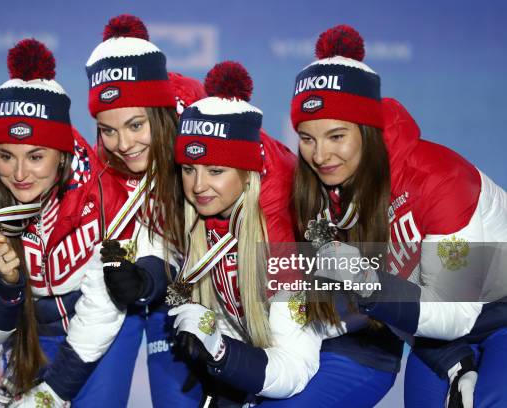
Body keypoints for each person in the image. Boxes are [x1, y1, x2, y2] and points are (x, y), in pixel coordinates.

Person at [289, 25, 507, 407]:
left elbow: (454, 307)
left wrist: (369, 283)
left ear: (367, 131)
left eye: (336, 136)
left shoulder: (439, 177)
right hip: (433, 333)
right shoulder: (323, 198)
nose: (320, 155)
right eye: (308, 138)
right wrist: (453, 362)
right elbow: (398, 302)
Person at [0, 39, 125, 407]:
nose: (20, 173)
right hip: (27, 330)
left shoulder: (102, 190)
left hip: (100, 324)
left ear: (61, 155)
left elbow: (104, 306)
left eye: (36, 156)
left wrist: (53, 393)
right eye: (6, 156)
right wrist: (9, 285)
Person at [168, 60, 362, 406]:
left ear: (247, 174)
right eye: (188, 169)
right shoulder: (205, 210)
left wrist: (220, 351)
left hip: (351, 345)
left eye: (215, 170)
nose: (198, 185)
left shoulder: (281, 231)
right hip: (277, 342)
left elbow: (292, 368)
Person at [83, 14, 207, 407]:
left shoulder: (204, 130)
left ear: (159, 114)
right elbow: (129, 222)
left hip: (197, 287)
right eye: (108, 129)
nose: (123, 143)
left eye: (136, 125)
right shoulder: (110, 147)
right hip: (142, 278)